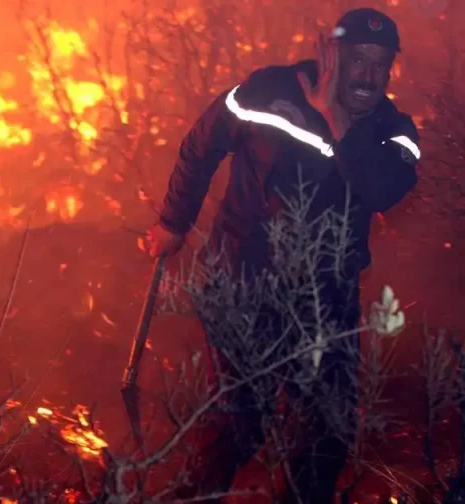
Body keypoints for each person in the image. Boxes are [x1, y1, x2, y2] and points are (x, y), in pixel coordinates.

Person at [147, 7, 421, 503]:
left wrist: (337, 122)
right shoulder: (267, 91)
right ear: (333, 55)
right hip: (243, 282)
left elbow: (382, 190)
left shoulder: (393, 130)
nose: (368, 76)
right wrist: (173, 222)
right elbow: (201, 146)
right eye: (358, 59)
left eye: (380, 63)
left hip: (326, 298)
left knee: (327, 432)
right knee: (238, 422)